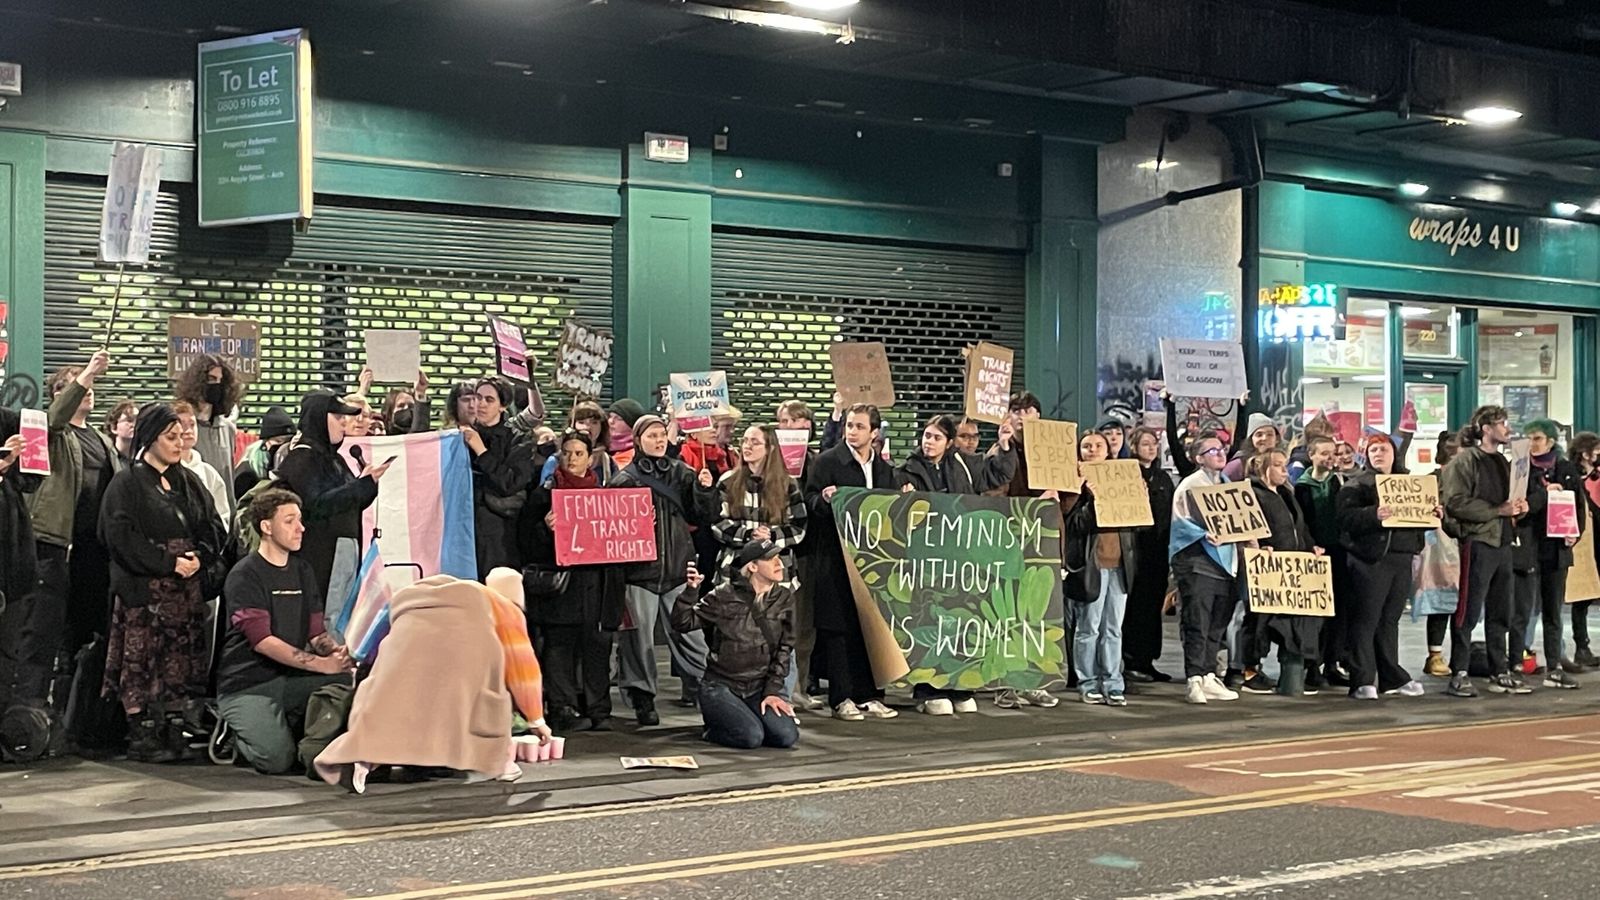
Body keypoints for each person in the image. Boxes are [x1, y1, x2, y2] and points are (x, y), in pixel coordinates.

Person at [313, 575, 535, 793]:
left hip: (401, 654)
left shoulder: (423, 596)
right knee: (487, 706)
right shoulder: (506, 610)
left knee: (389, 716)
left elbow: (374, 632)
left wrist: (356, 656)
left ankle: (363, 761)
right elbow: (524, 674)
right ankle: (504, 765)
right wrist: (537, 720)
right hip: (457, 667)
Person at [99, 403, 231, 762]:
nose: (179, 443)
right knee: (144, 662)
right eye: (170, 437)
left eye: (181, 437)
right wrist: (167, 562)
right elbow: (119, 537)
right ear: (150, 438)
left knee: (181, 662)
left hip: (184, 591)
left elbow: (212, 525)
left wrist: (200, 558)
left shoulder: (188, 481)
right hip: (145, 591)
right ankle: (142, 732)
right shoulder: (126, 483)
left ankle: (174, 725)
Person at [4, 351, 119, 738]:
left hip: (90, 551)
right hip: (51, 544)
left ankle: (70, 720)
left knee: (80, 634)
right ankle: (25, 717)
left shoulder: (102, 441)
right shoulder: (46, 430)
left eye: (88, 386)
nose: (86, 391)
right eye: (72, 386)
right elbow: (54, 419)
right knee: (40, 633)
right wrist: (86, 373)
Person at [216, 489, 353, 774]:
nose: (301, 528)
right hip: (248, 684)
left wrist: (337, 653)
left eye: (300, 520)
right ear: (266, 527)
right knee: (276, 761)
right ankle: (236, 738)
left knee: (344, 680)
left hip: (290, 679)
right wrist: (320, 664)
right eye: (290, 521)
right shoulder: (245, 574)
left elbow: (317, 635)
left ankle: (297, 731)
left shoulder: (303, 570)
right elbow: (263, 642)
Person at [898, 413, 1019, 714]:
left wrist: (1005, 445)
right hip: (927, 559)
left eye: (936, 437)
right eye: (927, 436)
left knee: (962, 619)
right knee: (929, 620)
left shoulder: (964, 465)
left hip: (960, 557)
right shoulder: (907, 471)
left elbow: (997, 474)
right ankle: (928, 688)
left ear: (949, 442)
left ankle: (959, 684)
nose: (929, 442)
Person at [612, 415, 719, 726]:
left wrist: (704, 490)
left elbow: (705, 515)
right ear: (638, 440)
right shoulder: (624, 480)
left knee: (691, 635)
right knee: (638, 640)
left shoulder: (684, 473)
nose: (659, 440)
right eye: (651, 435)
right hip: (639, 574)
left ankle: (705, 689)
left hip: (677, 569)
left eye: (662, 435)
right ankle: (642, 697)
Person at [521, 429, 626, 732]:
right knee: (560, 648)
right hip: (562, 584)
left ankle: (598, 708)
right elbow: (526, 542)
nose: (572, 459)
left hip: (597, 583)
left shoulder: (606, 494)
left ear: (590, 457)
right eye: (566, 453)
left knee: (596, 647)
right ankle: (563, 708)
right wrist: (544, 528)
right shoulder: (544, 495)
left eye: (578, 453)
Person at [804, 403, 901, 722]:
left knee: (870, 627)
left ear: (875, 432)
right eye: (849, 425)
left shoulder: (885, 470)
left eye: (859, 426)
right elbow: (809, 500)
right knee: (838, 627)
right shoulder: (828, 461)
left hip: (874, 561)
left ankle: (871, 694)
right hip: (835, 557)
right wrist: (825, 500)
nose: (852, 431)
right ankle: (841, 696)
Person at [675, 540, 800, 750]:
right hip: (721, 686)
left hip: (757, 687)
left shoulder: (784, 598)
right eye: (771, 559)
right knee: (750, 737)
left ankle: (744, 718)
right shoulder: (724, 595)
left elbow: (785, 648)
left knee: (786, 737)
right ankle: (714, 727)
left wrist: (772, 692)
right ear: (752, 566)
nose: (780, 564)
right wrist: (689, 593)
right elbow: (683, 623)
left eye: (779, 558)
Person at [1336, 433, 1430, 700]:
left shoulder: (1409, 483)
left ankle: (1391, 676)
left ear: (1394, 453)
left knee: (1389, 621)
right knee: (1366, 620)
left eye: (1383, 449)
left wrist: (1430, 515)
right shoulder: (1356, 484)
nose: (1378, 454)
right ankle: (1362, 679)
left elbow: (1416, 520)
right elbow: (1344, 519)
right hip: (1370, 559)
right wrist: (1372, 515)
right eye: (1373, 449)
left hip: (1401, 557)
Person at [1440, 405, 1526, 698]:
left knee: (1502, 610)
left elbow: (1510, 501)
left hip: (1502, 541)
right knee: (1468, 609)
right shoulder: (1465, 462)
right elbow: (1455, 502)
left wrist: (1518, 509)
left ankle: (1498, 669)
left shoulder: (1503, 462)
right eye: (1503, 424)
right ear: (1486, 428)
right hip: (1478, 541)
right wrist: (1496, 510)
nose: (1508, 429)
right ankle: (1460, 671)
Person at [274, 391, 389, 598]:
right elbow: (317, 504)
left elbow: (347, 501)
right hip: (321, 556)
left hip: (342, 548)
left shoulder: (332, 458)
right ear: (319, 419)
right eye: (337, 417)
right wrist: (361, 486)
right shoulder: (302, 458)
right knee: (329, 618)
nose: (344, 423)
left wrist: (367, 485)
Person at [1065, 431, 1138, 706]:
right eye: (1087, 446)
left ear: (1109, 451)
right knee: (1089, 627)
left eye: (1098, 445)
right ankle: (1087, 681)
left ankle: (1113, 682)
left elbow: (1137, 525)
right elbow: (1074, 527)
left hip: (1120, 566)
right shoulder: (1074, 485)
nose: (1093, 450)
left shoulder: (1123, 478)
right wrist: (1091, 499)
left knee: (1113, 628)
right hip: (1092, 567)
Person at [1169, 431, 1242, 704]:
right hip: (1197, 562)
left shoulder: (1226, 484)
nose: (1220, 453)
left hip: (1224, 563)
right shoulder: (1190, 485)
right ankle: (1194, 678)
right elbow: (1181, 523)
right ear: (1199, 458)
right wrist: (1203, 534)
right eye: (1212, 450)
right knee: (1197, 622)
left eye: (1222, 448)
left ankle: (1210, 673)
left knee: (1216, 624)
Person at [1245, 448, 1321, 695]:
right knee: (1260, 619)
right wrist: (1261, 546)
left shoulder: (1287, 493)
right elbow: (1250, 527)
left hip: (1292, 568)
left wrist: (1311, 547)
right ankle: (1251, 669)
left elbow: (1300, 527)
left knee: (1289, 621)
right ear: (1263, 468)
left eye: (1284, 465)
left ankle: (1290, 672)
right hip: (1268, 566)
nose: (1284, 470)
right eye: (1278, 465)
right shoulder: (1254, 494)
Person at [1524, 419, 1583, 688]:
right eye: (1528, 439)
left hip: (1556, 550)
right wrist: (1542, 493)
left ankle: (1555, 665)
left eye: (1536, 438)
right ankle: (1517, 660)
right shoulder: (1520, 470)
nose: (1532, 444)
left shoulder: (1567, 469)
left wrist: (1574, 533)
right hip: (1527, 548)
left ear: (1550, 441)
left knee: (1552, 611)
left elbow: (1578, 509)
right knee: (1522, 609)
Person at [463, 377, 536, 578]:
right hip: (464, 527)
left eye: (489, 399)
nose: (481, 404)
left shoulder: (519, 438)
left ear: (503, 406)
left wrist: (481, 452)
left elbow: (511, 483)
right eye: (478, 398)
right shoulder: (461, 435)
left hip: (499, 534)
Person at [1294, 434, 1347, 692]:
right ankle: (1311, 665)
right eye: (1324, 453)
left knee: (1337, 611)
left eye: (1333, 453)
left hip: (1339, 552)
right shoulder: (1301, 487)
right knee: (1316, 613)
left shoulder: (1339, 483)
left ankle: (1332, 662)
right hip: (1314, 554)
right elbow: (1301, 522)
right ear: (1312, 455)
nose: (1330, 458)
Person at [1124, 425, 1174, 683]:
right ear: (1134, 447)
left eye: (1154, 443)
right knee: (1136, 606)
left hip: (1159, 551)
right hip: (1137, 549)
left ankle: (1148, 659)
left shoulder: (1163, 478)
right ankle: (1132, 659)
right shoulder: (1127, 474)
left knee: (1154, 607)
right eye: (1145, 444)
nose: (1151, 448)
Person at [1415, 432, 1463, 678]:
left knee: (1464, 604)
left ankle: (1459, 656)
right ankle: (1434, 653)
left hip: (1466, 543)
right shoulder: (1432, 480)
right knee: (1441, 600)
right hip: (1439, 548)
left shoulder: (1468, 479)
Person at [173, 354, 243, 516]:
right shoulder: (183, 427)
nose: (216, 385)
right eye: (211, 379)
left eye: (220, 380)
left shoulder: (227, 429)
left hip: (225, 511)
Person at [175, 401, 232, 525]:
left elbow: (223, 514)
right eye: (182, 425)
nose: (188, 430)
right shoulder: (163, 469)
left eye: (192, 424)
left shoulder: (208, 472)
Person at [1571, 432, 1600, 667]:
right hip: (1584, 543)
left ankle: (1584, 646)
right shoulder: (1574, 477)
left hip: (1594, 540)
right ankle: (1582, 646)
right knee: (1581, 596)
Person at [233, 406, 296, 499]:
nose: (283, 447)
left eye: (288, 441)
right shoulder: (247, 472)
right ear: (265, 443)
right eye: (278, 441)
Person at [1222, 413, 1281, 481]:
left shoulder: (1281, 463)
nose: (1264, 438)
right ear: (1251, 439)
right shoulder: (1239, 464)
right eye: (1259, 435)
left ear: (1276, 439)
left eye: (1269, 434)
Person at [606, 399, 647, 470]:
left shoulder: (638, 455)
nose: (610, 421)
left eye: (618, 418)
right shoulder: (599, 446)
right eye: (610, 416)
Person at [104, 399, 139, 466]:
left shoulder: (145, 457)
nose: (134, 425)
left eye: (137, 420)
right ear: (114, 428)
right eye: (129, 420)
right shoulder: (106, 459)